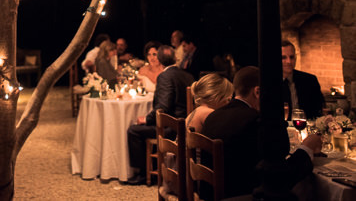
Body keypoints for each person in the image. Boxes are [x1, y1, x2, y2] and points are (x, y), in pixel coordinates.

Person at [202, 66, 321, 198]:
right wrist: (307, 148)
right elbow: (280, 178)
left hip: (211, 194)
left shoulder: (213, 116)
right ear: (257, 92)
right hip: (243, 195)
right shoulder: (256, 121)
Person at [126, 45, 194, 185]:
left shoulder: (164, 76)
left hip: (172, 128)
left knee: (133, 130)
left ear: (160, 59)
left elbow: (163, 107)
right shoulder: (187, 75)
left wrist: (146, 119)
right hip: (186, 124)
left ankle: (144, 174)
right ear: (175, 58)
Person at [282, 40, 325, 120]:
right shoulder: (269, 83)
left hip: (305, 127)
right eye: (283, 58)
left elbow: (319, 108)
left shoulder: (310, 80)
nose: (289, 61)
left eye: (291, 57)